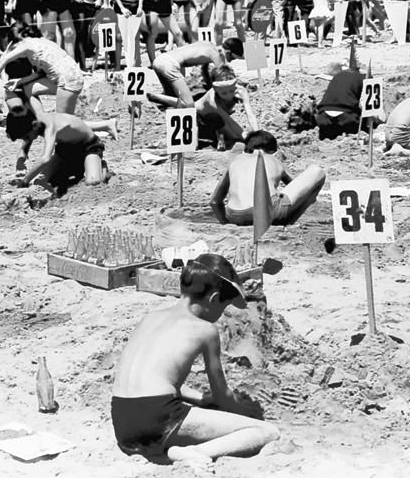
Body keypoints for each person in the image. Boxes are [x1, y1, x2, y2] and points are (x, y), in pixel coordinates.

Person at [110, 252, 279, 465]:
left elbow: (153, 384)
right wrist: (243, 413)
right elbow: (222, 396)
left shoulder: (149, 318)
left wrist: (199, 398)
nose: (222, 313)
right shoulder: (205, 330)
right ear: (214, 299)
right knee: (265, 432)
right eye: (224, 307)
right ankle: (196, 451)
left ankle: (176, 446)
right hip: (159, 418)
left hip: (122, 422)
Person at [210, 130, 326, 227]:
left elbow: (214, 201)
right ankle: (287, 224)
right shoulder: (272, 159)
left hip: (235, 215)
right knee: (316, 171)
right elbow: (298, 188)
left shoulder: (236, 160)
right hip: (268, 211)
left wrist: (225, 224)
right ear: (273, 151)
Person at [147, 65, 258, 150]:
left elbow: (250, 113)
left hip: (218, 114)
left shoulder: (240, 91)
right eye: (224, 93)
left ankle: (161, 98)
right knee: (233, 136)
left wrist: (259, 134)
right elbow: (229, 122)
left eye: (231, 91)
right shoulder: (212, 100)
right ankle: (161, 98)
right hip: (200, 116)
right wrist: (249, 139)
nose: (229, 95)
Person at [5, 101, 108, 191]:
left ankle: (102, 167)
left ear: (34, 125)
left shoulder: (49, 126)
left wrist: (25, 181)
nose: (27, 140)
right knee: (41, 181)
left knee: (93, 182)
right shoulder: (33, 121)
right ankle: (77, 167)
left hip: (89, 146)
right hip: (66, 148)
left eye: (27, 136)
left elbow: (45, 158)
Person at [0, 22, 84, 115]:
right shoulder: (42, 41)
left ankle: (98, 126)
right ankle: (42, 119)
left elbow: (4, 59)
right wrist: (19, 81)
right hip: (73, 76)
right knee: (29, 89)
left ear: (19, 38)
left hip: (68, 82)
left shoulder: (26, 45)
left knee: (63, 124)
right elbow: (41, 73)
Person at [152, 38, 244, 108]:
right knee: (189, 104)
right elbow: (224, 81)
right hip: (169, 65)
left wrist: (208, 86)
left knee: (171, 97)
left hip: (160, 59)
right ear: (228, 52)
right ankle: (152, 97)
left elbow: (204, 69)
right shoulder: (216, 56)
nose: (231, 61)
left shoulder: (209, 44)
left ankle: (156, 101)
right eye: (233, 58)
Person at [315, 62, 380, 139]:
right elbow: (373, 111)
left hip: (323, 120)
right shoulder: (368, 79)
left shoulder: (337, 76)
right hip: (347, 120)